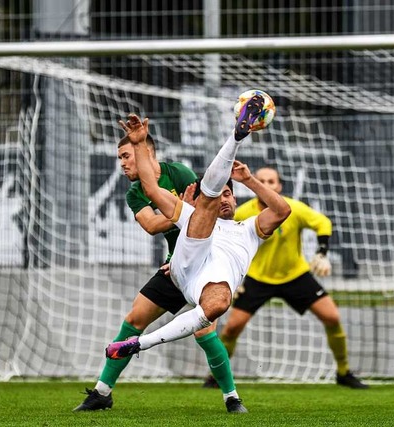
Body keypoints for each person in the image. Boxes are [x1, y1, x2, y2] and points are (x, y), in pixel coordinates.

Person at [105, 95, 291, 400]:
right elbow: (152, 192)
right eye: (223, 194)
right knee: (201, 207)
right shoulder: (192, 210)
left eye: (230, 195)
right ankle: (236, 137)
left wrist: (250, 180)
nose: (226, 199)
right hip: (184, 264)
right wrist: (138, 144)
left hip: (209, 284)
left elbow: (281, 211)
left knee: (216, 307)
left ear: (238, 199)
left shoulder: (248, 230)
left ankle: (142, 345)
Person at [74, 133, 243, 413]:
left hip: (206, 265)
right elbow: (152, 225)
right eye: (121, 158)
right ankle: (102, 393)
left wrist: (188, 212)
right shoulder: (135, 192)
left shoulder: (178, 173)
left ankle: (232, 398)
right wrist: (184, 211)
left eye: (127, 156)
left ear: (147, 153)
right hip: (174, 267)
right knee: (134, 319)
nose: (123, 164)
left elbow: (208, 212)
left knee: (204, 333)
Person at [203, 166, 368, 389]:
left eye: (271, 181)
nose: (267, 185)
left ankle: (343, 372)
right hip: (257, 278)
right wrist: (232, 280)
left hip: (295, 275)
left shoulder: (294, 208)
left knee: (332, 317)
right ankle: (216, 377)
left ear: (279, 186)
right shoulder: (242, 213)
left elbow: (323, 223)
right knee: (231, 328)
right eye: (262, 180)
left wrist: (321, 252)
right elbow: (221, 243)